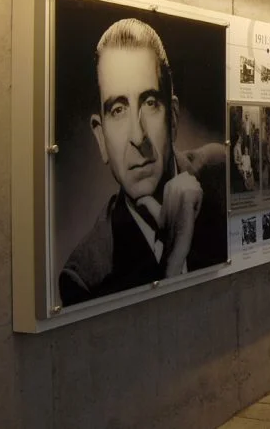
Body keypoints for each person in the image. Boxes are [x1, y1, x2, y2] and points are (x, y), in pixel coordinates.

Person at [59, 18, 226, 307]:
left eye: (150, 103)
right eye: (118, 109)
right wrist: (174, 255)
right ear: (101, 138)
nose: (138, 136)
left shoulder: (221, 172)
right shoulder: (86, 276)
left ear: (173, 118)